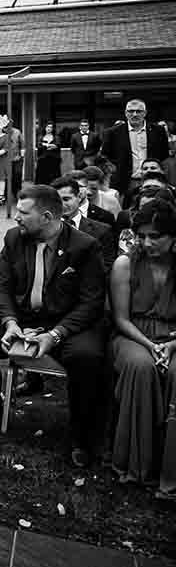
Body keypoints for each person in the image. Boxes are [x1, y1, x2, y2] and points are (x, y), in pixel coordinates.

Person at [0, 186, 107, 467]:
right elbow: (2, 288)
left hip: (67, 324)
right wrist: (10, 323)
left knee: (85, 357)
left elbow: (91, 303)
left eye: (24, 213)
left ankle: (81, 437)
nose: (16, 218)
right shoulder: (14, 238)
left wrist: (56, 334)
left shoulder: (84, 246)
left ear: (47, 217)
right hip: (23, 318)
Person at [108, 200, 176, 499]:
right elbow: (121, 319)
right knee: (141, 367)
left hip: (173, 338)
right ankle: (138, 466)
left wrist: (170, 345)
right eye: (142, 236)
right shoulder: (125, 264)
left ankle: (169, 472)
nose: (147, 243)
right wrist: (151, 346)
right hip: (133, 336)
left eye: (155, 236)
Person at [100, 98, 171, 195]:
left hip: (152, 182)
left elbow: (164, 155)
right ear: (125, 113)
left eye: (139, 111)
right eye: (131, 111)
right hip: (123, 183)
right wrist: (114, 171)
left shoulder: (158, 131)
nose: (134, 114)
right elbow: (105, 157)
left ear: (145, 113)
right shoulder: (112, 133)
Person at [52, 174, 117, 275]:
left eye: (66, 199)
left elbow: (106, 266)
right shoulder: (45, 230)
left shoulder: (102, 231)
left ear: (79, 197)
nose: (62, 205)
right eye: (57, 201)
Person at [35, 121, 62, 186]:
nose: (49, 128)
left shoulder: (56, 137)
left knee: (54, 179)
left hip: (54, 160)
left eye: (51, 127)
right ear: (45, 128)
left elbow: (57, 146)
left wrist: (45, 145)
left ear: (53, 129)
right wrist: (49, 145)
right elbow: (39, 146)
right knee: (42, 178)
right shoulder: (40, 137)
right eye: (47, 127)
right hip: (42, 161)